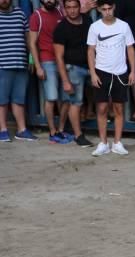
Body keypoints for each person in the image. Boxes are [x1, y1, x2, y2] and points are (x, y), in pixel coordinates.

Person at [87, 0, 135, 156]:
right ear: (99, 9)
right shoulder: (94, 27)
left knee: (119, 108)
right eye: (104, 9)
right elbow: (90, 51)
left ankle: (117, 142)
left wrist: (132, 71)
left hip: (120, 72)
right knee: (101, 108)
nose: (107, 12)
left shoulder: (124, 26)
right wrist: (93, 73)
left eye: (109, 8)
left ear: (114, 7)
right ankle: (103, 143)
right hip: (101, 71)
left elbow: (130, 48)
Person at [29, 0, 72, 143]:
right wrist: (38, 65)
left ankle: (61, 130)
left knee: (66, 97)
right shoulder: (36, 16)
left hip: (63, 60)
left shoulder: (60, 12)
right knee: (51, 98)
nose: (49, 0)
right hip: (47, 60)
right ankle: (52, 132)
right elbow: (32, 43)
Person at [53, 0, 94, 147]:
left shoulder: (88, 20)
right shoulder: (61, 28)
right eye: (68, 8)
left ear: (79, 7)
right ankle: (78, 135)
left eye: (74, 7)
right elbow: (58, 57)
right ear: (64, 9)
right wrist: (65, 80)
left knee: (102, 94)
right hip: (73, 69)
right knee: (75, 102)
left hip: (91, 67)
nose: (72, 11)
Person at [0, 0, 37, 142]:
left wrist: (31, 59)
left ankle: (22, 130)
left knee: (19, 99)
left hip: (21, 63)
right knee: (1, 100)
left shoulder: (20, 14)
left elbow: (28, 38)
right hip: (2, 64)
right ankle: (2, 130)